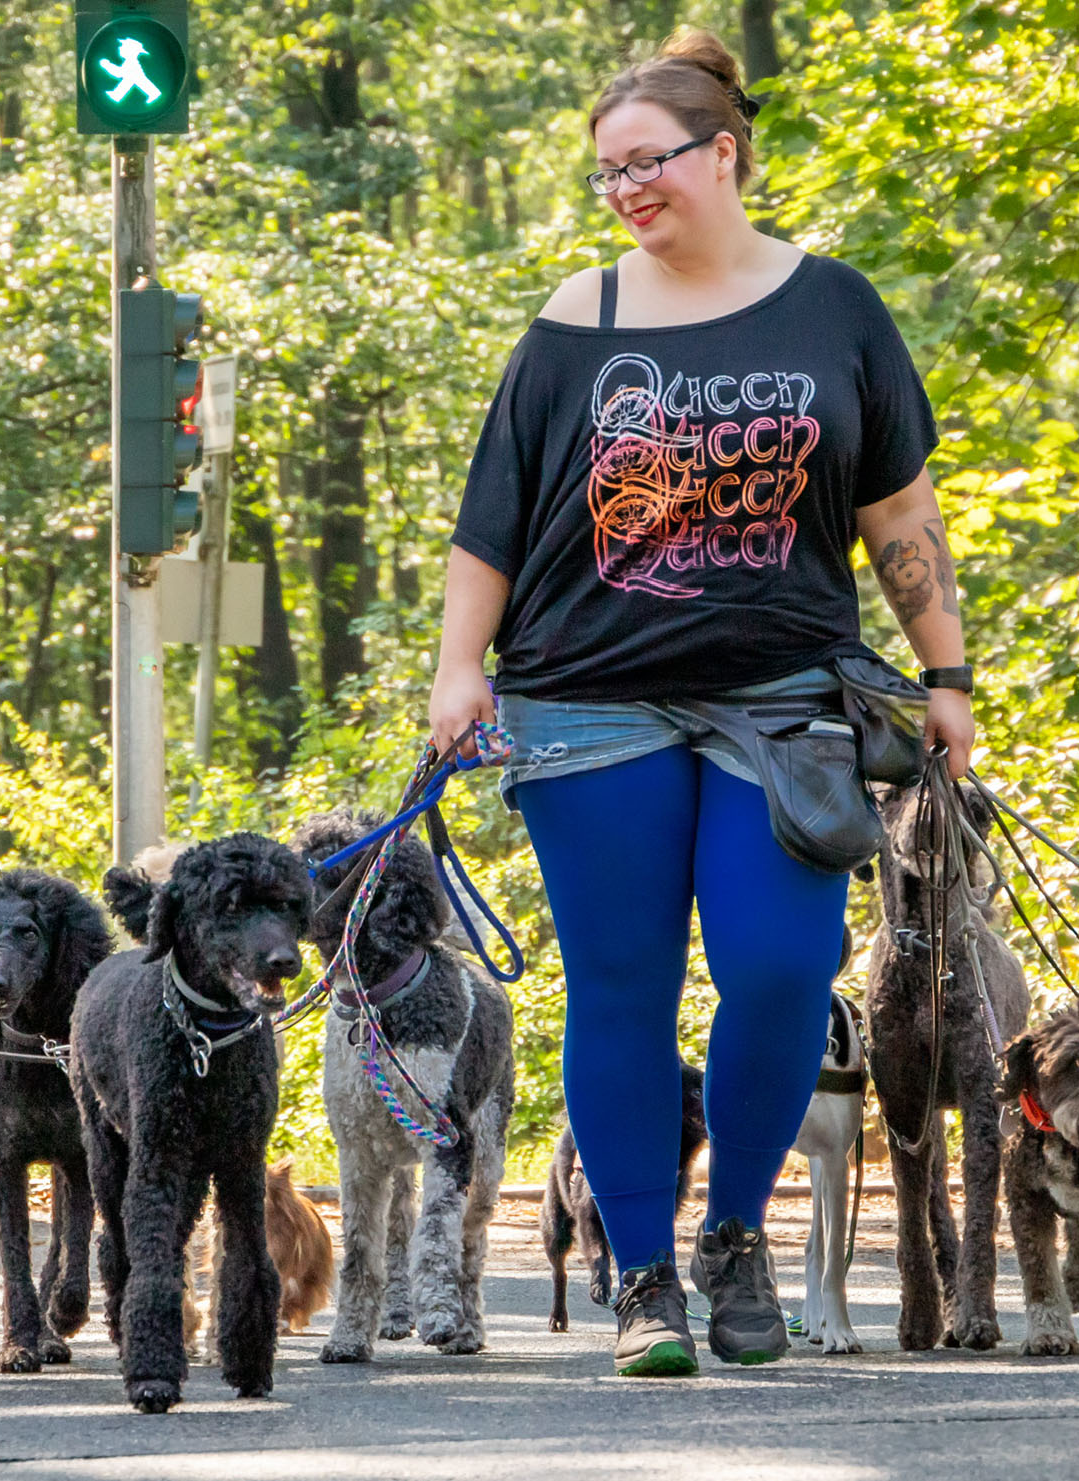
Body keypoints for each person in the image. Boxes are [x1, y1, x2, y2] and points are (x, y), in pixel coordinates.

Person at [431, 28, 974, 1376]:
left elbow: (896, 507)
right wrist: (458, 671)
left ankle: (732, 1235)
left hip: (784, 700)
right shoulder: (575, 322)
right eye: (603, 173)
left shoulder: (832, 307)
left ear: (721, 152)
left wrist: (946, 670)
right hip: (582, 702)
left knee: (780, 968)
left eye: (645, 164)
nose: (623, 190)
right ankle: (641, 1277)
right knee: (619, 984)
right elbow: (489, 520)